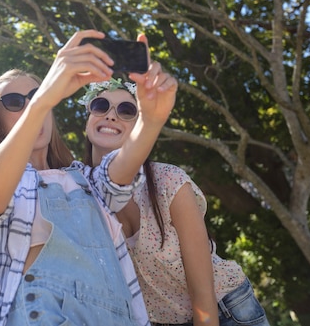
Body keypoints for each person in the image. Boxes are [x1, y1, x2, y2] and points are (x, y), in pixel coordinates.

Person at [0, 29, 178, 326]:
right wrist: (41, 103)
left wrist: (152, 119)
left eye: (36, 96)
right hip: (44, 313)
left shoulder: (84, 178)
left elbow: (120, 175)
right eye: (14, 102)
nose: (29, 104)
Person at [80, 46, 270, 326]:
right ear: (88, 119)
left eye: (126, 110)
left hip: (225, 310)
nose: (110, 115)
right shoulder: (77, 192)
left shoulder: (169, 181)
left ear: (139, 126)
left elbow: (202, 292)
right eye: (100, 106)